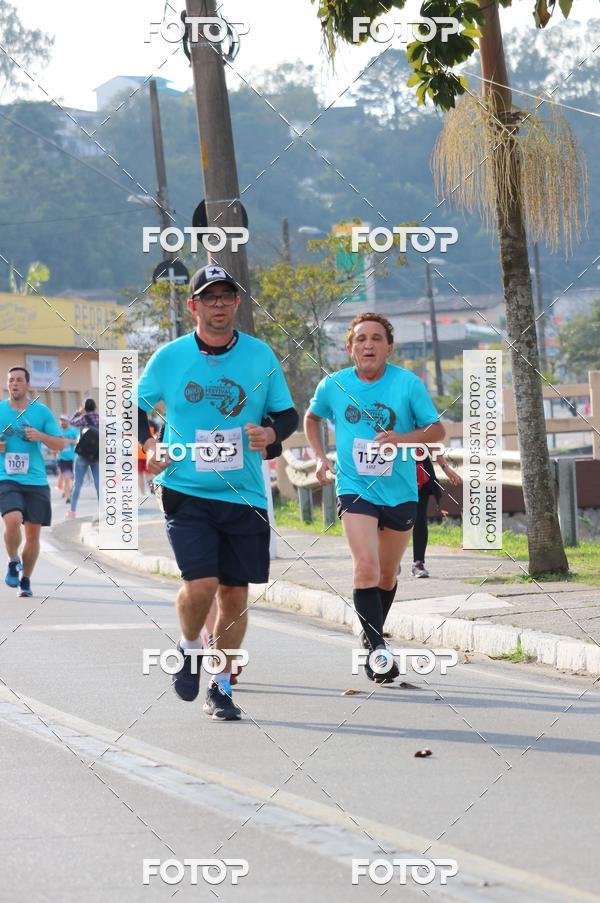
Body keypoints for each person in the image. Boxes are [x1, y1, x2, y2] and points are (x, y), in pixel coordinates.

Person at [137, 264, 298, 720]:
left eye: (227, 296)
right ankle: (189, 648)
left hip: (244, 492)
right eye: (210, 297)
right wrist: (151, 444)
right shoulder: (168, 358)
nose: (219, 305)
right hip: (186, 489)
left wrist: (271, 434)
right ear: (194, 306)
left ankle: (222, 686)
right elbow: (137, 408)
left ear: (237, 303)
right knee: (201, 583)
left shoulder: (260, 356)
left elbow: (286, 414)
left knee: (234, 595)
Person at [304, 313, 445, 683]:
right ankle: (378, 648)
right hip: (354, 488)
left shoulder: (407, 383)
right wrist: (321, 459)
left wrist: (402, 438)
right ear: (350, 348)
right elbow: (311, 418)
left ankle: (371, 637)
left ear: (389, 347)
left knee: (386, 575)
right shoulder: (334, 385)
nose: (368, 345)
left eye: (377, 338)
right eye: (361, 339)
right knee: (365, 567)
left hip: (400, 491)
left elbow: (437, 429)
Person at [0, 367, 65, 597]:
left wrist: (41, 437)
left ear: (27, 385)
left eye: (19, 380)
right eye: (11, 380)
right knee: (12, 520)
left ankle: (25, 579)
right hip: (6, 477)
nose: (14, 383)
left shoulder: (42, 412)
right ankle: (12, 559)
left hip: (36, 480)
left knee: (33, 535)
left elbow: (60, 444)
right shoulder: (0, 411)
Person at [412, 451, 462, 578]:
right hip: (394, 470)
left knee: (419, 517)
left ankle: (418, 563)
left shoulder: (421, 429)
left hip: (419, 470)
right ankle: (389, 560)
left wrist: (446, 468)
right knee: (395, 518)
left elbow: (431, 442)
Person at [67, 398, 99, 518]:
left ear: (85, 408)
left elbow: (71, 422)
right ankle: (102, 510)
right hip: (96, 454)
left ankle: (72, 511)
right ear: (95, 407)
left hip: (83, 454)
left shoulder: (84, 418)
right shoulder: (101, 418)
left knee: (78, 483)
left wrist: (79, 412)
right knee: (98, 483)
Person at [57, 414, 78, 506]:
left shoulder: (73, 431)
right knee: (66, 478)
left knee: (72, 479)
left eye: (64, 420)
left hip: (73, 458)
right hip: (62, 459)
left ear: (68, 422)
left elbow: (79, 440)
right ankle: (68, 498)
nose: (62, 422)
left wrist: (69, 441)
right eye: (61, 420)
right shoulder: (57, 431)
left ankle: (70, 491)